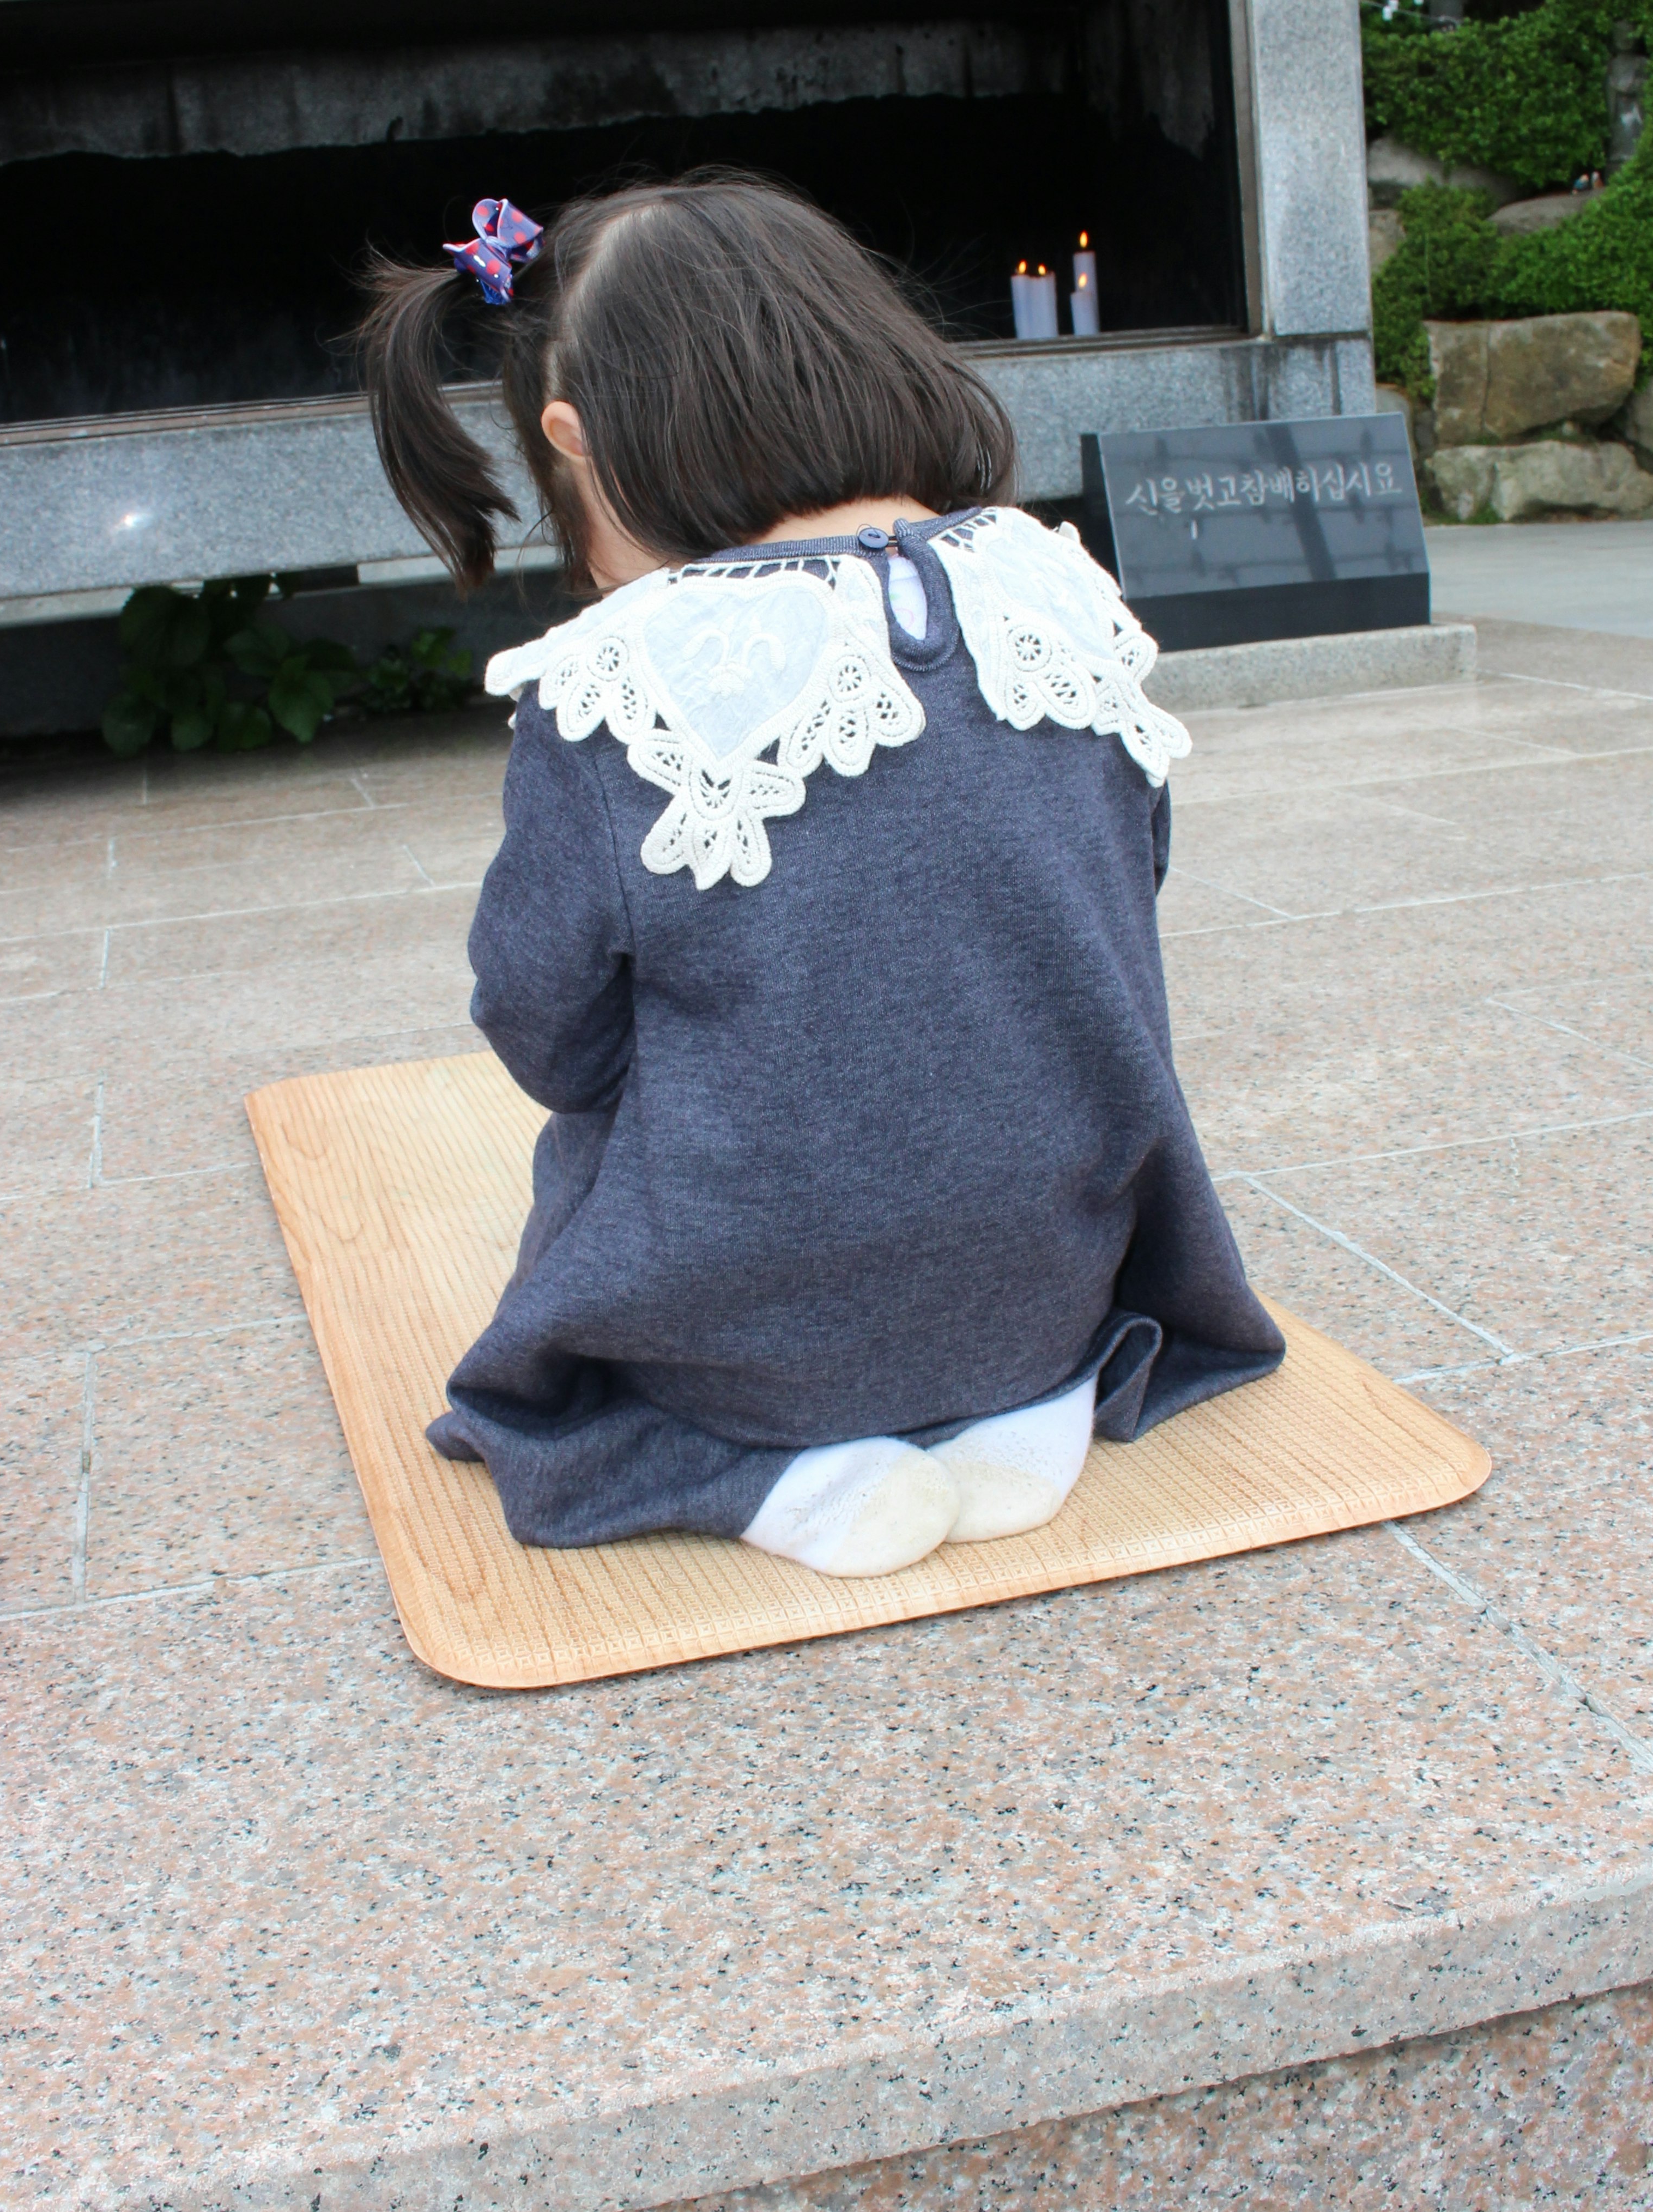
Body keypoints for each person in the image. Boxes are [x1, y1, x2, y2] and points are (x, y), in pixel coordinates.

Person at [358, 173, 1281, 1579]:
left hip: (748, 1344)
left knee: (611, 1180)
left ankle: (770, 1476)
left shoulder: (619, 678)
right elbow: (1117, 892)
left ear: (573, 441)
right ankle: (1029, 1408)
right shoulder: (1061, 592)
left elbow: (546, 1027)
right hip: (1050, 1282)